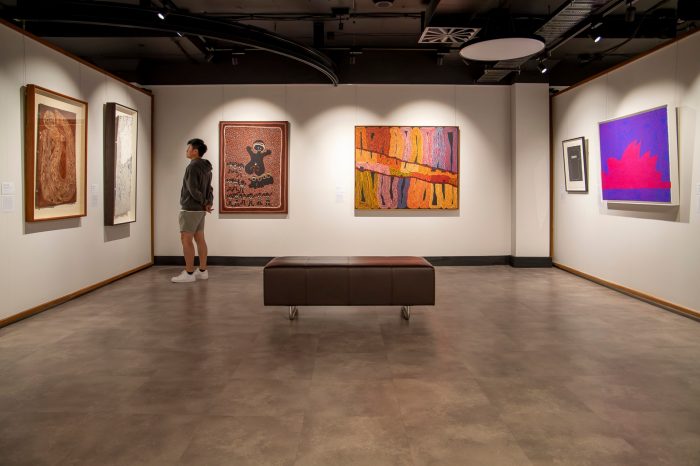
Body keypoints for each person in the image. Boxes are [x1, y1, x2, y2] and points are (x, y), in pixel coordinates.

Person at [171, 138, 214, 283]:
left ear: (195, 151)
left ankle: (189, 273)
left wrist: (204, 202)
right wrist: (207, 203)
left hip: (190, 209)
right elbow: (210, 189)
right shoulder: (206, 167)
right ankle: (202, 271)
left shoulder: (192, 167)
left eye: (188, 149)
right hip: (200, 210)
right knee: (200, 239)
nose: (186, 151)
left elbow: (192, 189)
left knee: (186, 239)